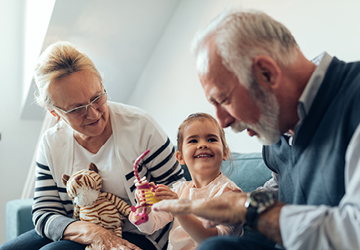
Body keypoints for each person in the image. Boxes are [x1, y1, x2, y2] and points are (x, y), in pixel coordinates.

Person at [152, 7, 360, 250]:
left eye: (225, 100)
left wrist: (248, 208)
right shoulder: (278, 127)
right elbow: (282, 186)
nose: (223, 122)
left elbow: (354, 233)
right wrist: (242, 200)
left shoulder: (353, 102)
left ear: (266, 73)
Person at [0, 41, 184, 250]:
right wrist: (91, 231)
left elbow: (178, 187)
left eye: (97, 97)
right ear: (54, 113)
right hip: (78, 227)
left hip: (141, 234)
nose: (94, 114)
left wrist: (148, 209)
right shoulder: (51, 142)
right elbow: (44, 212)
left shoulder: (140, 126)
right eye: (77, 109)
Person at [129, 113, 243, 250]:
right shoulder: (178, 190)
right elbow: (149, 227)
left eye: (211, 139)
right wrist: (143, 208)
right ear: (180, 157)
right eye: (193, 141)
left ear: (225, 152)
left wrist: (179, 209)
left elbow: (214, 241)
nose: (203, 145)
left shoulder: (230, 193)